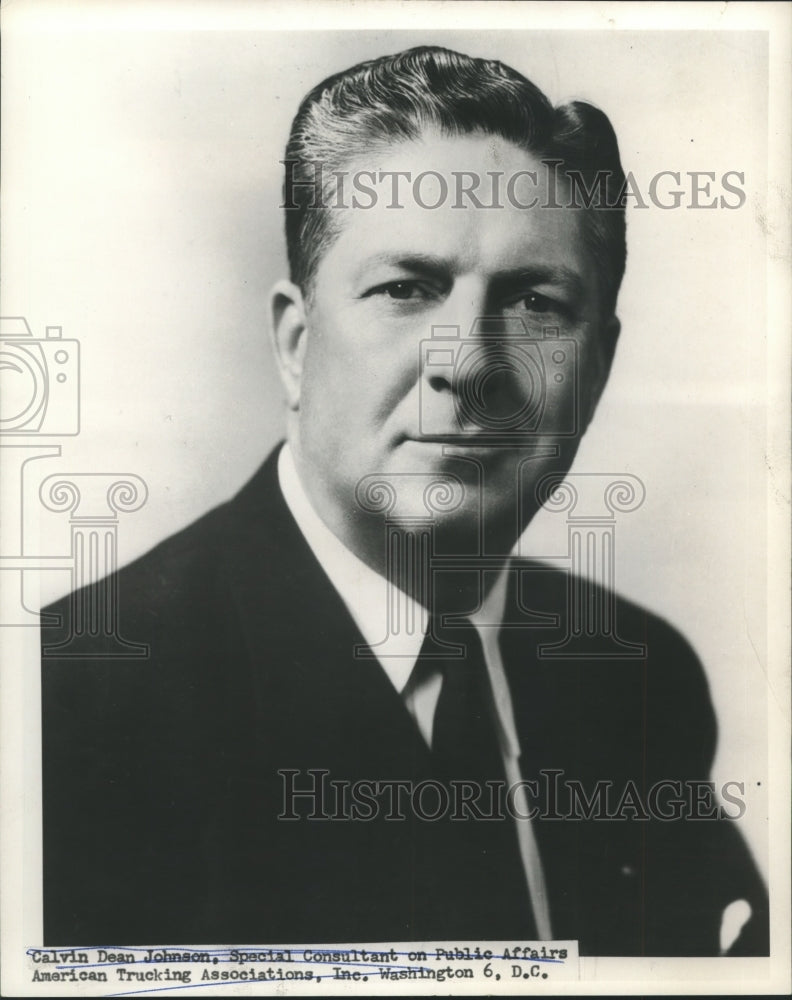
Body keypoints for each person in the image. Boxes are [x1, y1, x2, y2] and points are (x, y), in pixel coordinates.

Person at [41, 45, 768, 955]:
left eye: (536, 302)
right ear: (296, 345)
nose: (467, 363)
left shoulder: (641, 677)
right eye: (407, 290)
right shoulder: (71, 708)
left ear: (600, 365)